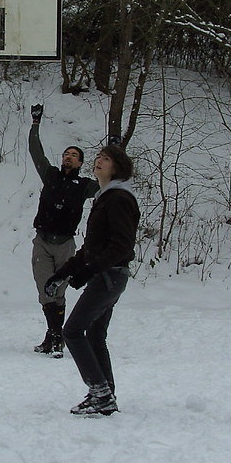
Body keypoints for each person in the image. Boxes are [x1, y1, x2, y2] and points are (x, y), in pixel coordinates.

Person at [45, 143, 139, 417]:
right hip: (107, 274)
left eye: (105, 159)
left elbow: (121, 246)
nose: (98, 161)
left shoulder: (119, 198)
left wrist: (89, 271)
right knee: (96, 335)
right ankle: (105, 393)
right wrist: (64, 272)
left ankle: (100, 393)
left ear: (117, 168)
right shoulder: (105, 197)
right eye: (98, 157)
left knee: (72, 331)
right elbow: (91, 247)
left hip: (110, 276)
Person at [27, 104, 99, 357]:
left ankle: (54, 337)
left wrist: (115, 149)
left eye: (73, 155)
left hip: (66, 243)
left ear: (80, 163)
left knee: (58, 290)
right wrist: (35, 124)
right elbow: (35, 151)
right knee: (45, 287)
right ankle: (56, 335)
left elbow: (111, 182)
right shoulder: (51, 175)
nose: (68, 157)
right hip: (43, 240)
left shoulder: (85, 186)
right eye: (66, 154)